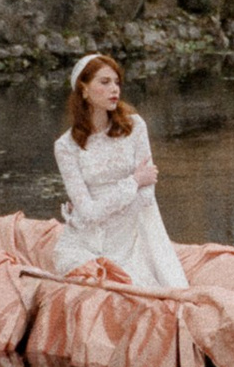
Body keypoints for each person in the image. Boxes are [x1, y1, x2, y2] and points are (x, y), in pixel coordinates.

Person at [50, 52, 188, 292]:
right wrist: (133, 181)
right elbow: (89, 213)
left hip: (130, 234)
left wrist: (109, 203)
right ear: (83, 89)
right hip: (86, 240)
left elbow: (146, 196)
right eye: (104, 82)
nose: (114, 89)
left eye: (116, 82)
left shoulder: (135, 127)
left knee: (142, 286)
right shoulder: (65, 146)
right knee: (88, 279)